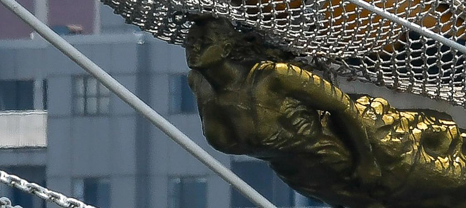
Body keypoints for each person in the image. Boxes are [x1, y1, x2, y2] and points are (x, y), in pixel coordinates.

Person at [185, 15, 466, 208]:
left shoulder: (272, 78)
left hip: (364, 146)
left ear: (226, 46)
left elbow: (342, 106)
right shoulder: (198, 83)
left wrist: (366, 161)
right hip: (306, 176)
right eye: (191, 41)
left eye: (203, 41)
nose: (193, 48)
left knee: (452, 181)